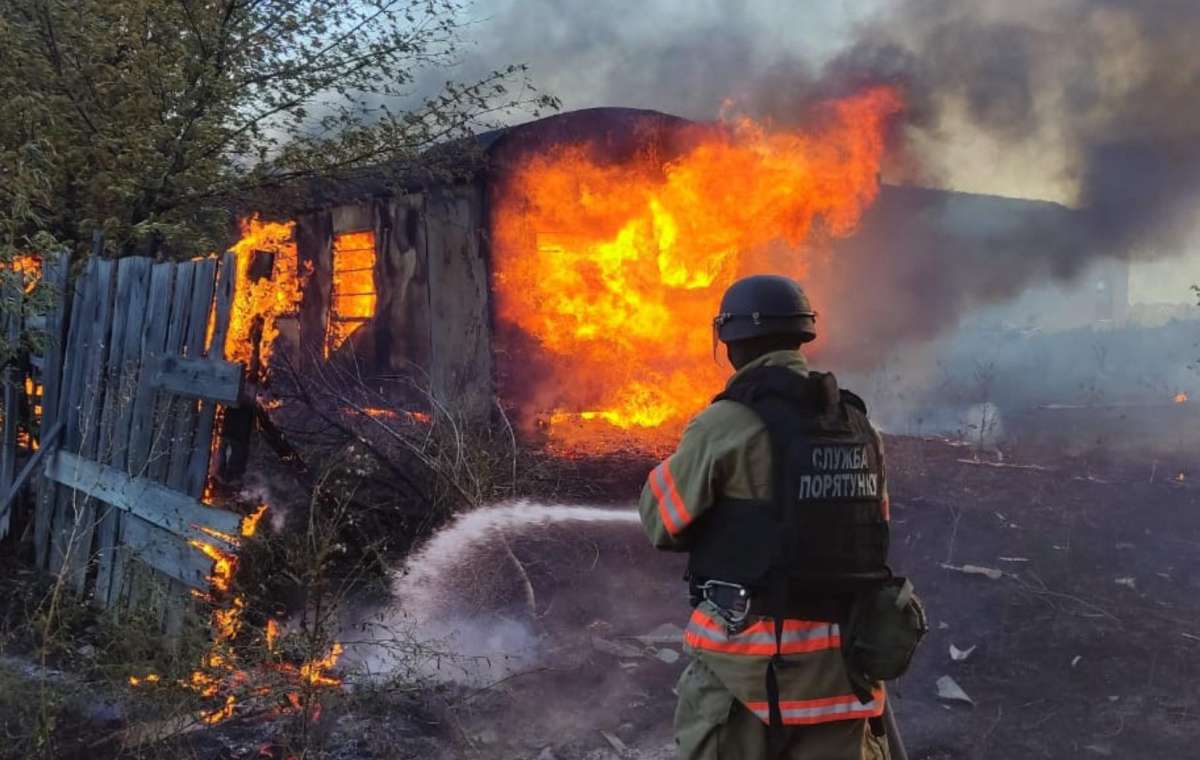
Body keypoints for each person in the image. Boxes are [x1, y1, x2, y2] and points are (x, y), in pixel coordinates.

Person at [638, 274, 896, 760]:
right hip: (844, 674)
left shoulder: (727, 423)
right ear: (803, 336)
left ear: (731, 344)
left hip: (747, 671)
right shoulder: (858, 426)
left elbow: (661, 520)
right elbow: (875, 530)